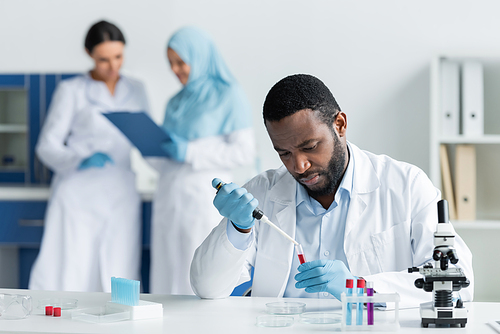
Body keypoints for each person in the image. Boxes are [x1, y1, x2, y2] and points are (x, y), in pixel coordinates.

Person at [190, 74, 474, 308]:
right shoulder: (263, 192)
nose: (299, 165)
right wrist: (238, 229)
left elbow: (458, 280)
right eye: (284, 153)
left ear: (340, 125)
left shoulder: (406, 185)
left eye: (310, 147)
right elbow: (207, 288)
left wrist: (360, 289)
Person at [29, 20, 149, 292]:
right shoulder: (71, 90)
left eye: (118, 57)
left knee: (119, 268)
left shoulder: (137, 89)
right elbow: (46, 145)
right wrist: (76, 159)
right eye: (103, 59)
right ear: (89, 54)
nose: (113, 66)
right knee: (74, 269)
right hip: (78, 193)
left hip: (120, 191)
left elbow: (146, 136)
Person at [149, 26, 255, 294]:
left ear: (199, 57)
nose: (176, 70)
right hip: (169, 195)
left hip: (202, 199)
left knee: (199, 272)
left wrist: (191, 152)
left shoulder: (228, 95)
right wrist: (150, 149)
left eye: (181, 62)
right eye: (170, 63)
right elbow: (168, 152)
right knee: (166, 270)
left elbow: (244, 151)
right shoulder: (174, 102)